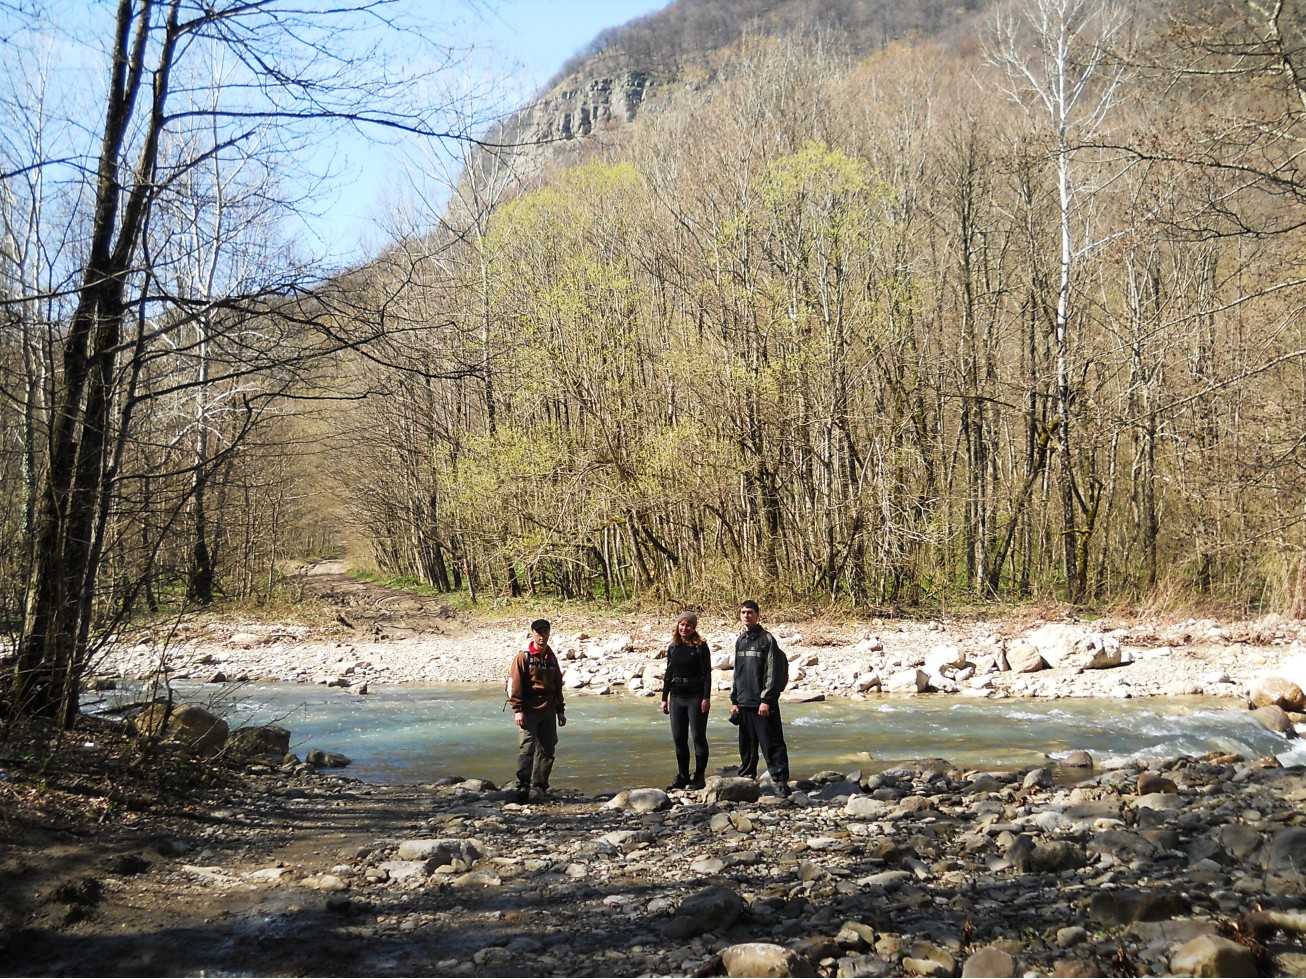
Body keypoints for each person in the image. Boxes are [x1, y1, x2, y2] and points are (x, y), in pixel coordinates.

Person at [729, 599, 792, 798]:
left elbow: (773, 672)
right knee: (746, 745)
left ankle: (780, 781)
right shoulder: (740, 640)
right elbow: (737, 673)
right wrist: (734, 700)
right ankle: (747, 778)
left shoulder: (767, 640)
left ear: (757, 615)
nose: (746, 615)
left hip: (763, 703)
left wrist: (767, 700)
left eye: (750, 612)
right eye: (743, 612)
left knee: (772, 742)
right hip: (744, 702)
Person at [506, 618, 566, 803]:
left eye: (545, 632)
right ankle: (523, 784)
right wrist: (518, 710)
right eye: (539, 632)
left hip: (548, 709)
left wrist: (560, 710)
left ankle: (540, 785)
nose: (542, 636)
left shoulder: (551, 657)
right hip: (528, 710)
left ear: (549, 633)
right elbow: (515, 685)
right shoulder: (523, 657)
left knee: (548, 747)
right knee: (527, 747)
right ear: (532, 634)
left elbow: (557, 685)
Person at [660, 610, 712, 790]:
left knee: (698, 737)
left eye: (688, 625)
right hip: (676, 697)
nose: (684, 628)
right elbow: (669, 672)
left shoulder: (700, 647)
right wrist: (664, 698)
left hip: (695, 697)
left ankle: (699, 776)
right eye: (681, 624)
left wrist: (706, 698)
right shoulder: (673, 646)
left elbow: (707, 674)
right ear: (677, 626)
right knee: (679, 738)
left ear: (693, 627)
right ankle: (683, 776)